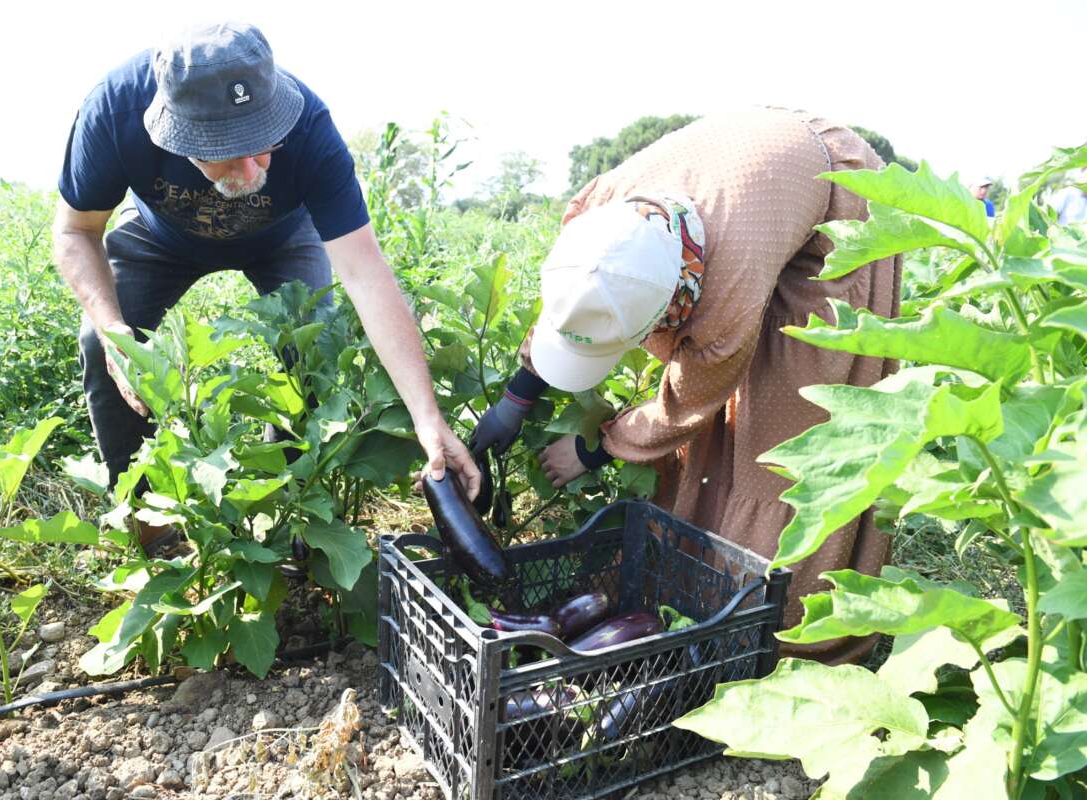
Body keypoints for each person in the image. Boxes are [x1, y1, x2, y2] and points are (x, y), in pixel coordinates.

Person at [471, 108, 902, 665]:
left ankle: (785, 637)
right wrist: (517, 396)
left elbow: (690, 406)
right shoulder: (596, 217)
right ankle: (693, 593)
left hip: (834, 204)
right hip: (751, 179)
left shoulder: (727, 290)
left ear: (667, 305)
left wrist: (594, 448)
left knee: (784, 434)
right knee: (730, 427)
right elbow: (577, 296)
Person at [53, 22, 478, 553]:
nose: (253, 167)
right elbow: (76, 231)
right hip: (163, 236)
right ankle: (148, 521)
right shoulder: (116, 109)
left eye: (264, 144)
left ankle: (295, 520)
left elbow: (366, 273)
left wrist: (428, 418)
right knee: (102, 343)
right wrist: (115, 328)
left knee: (313, 350)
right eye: (226, 152)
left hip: (283, 236)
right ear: (173, 133)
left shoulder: (309, 127)